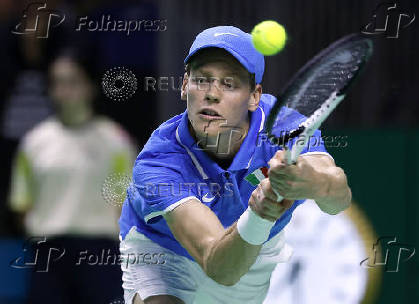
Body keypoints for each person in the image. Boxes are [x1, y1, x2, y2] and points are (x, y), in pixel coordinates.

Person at [118, 25, 351, 304]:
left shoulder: (284, 125)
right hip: (163, 251)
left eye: (229, 84)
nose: (212, 94)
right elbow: (219, 265)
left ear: (254, 96)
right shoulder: (158, 162)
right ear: (184, 86)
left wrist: (309, 179)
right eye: (202, 80)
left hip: (253, 257)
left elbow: (338, 199)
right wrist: (260, 213)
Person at [8, 49, 136, 303]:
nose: (65, 90)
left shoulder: (116, 140)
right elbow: (22, 205)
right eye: (57, 82)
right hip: (48, 256)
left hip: (101, 255)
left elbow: (126, 206)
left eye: (73, 81)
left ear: (90, 86)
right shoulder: (34, 142)